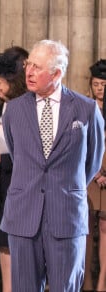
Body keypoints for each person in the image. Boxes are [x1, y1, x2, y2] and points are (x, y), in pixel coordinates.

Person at [0, 39, 105, 291]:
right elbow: (18, 155)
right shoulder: (13, 110)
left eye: (37, 67)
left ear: (57, 73)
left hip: (66, 215)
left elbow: (91, 161)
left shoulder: (86, 109)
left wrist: (67, 186)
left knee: (66, 286)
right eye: (28, 65)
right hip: (24, 215)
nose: (29, 71)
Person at [0, 46, 28, 292]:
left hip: (22, 187)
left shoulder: (26, 107)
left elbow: (32, 155)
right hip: (5, 184)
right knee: (3, 241)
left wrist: (2, 159)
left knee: (14, 242)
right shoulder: (3, 105)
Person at [83, 59, 106, 292]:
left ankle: (102, 282)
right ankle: (86, 279)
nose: (100, 88)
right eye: (96, 84)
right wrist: (96, 171)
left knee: (105, 227)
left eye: (104, 84)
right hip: (90, 172)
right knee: (87, 227)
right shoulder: (85, 107)